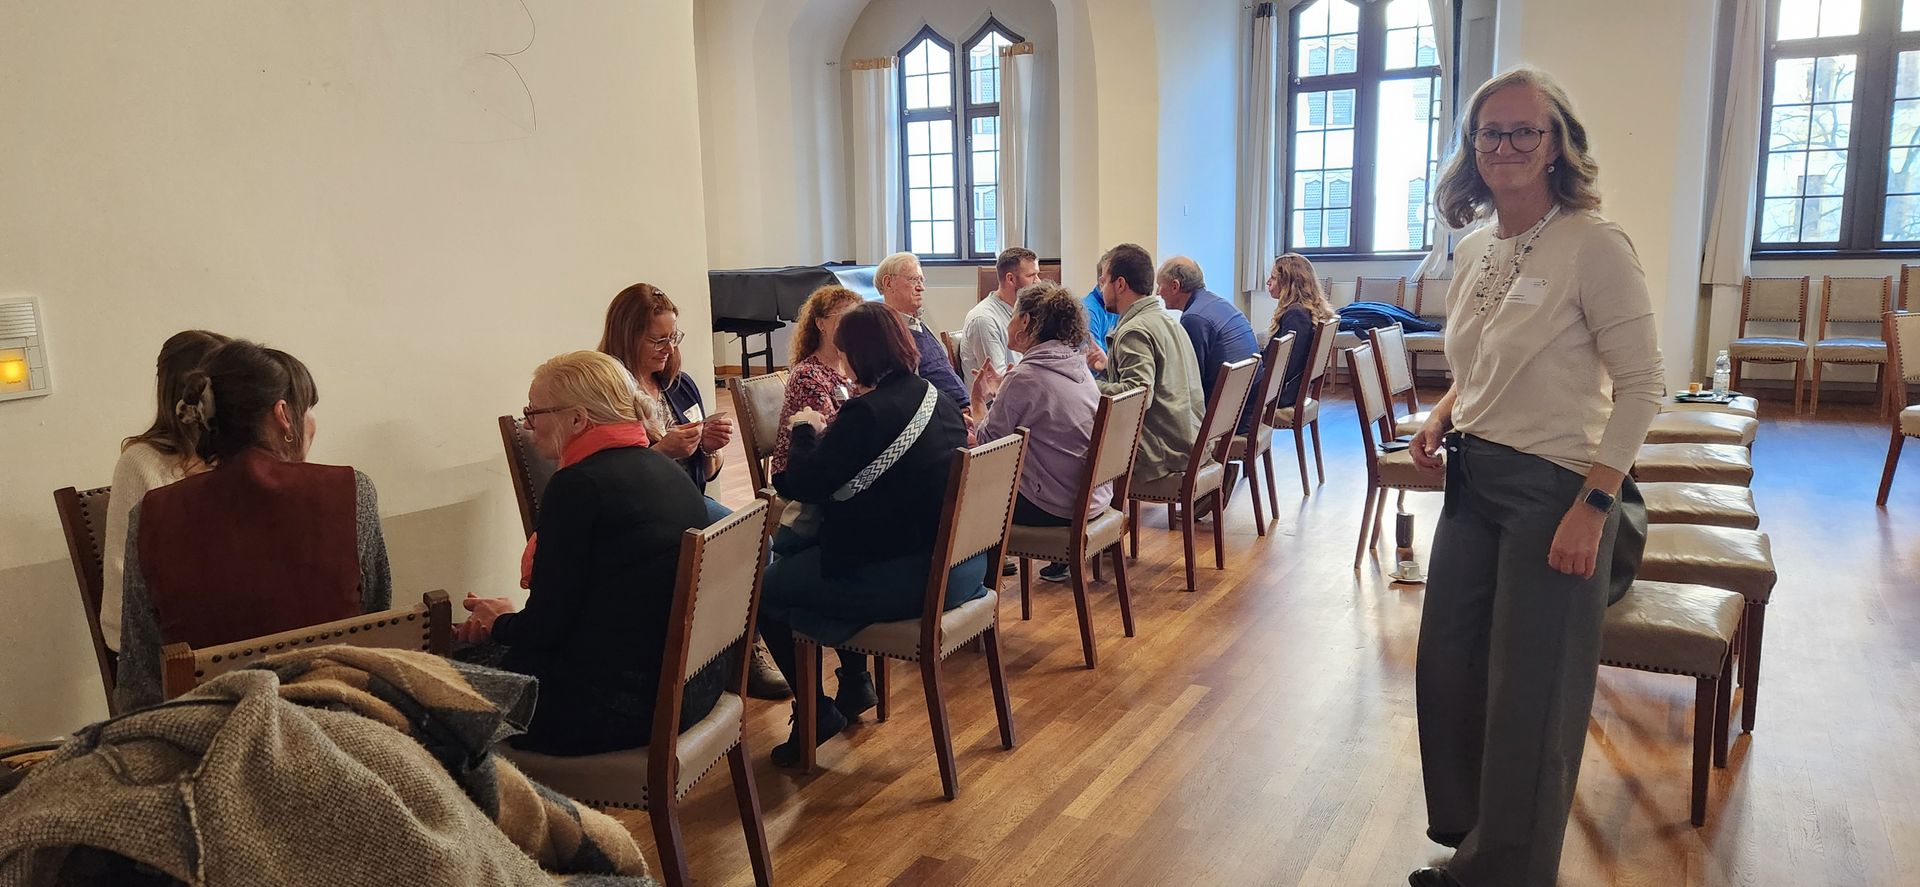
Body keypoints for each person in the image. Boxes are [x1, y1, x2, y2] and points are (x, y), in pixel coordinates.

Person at [1406, 67, 1661, 887]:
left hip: (1557, 488)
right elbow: (1479, 362)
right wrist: (1444, 412)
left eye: (1525, 130)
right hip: (1473, 478)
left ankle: (1507, 872)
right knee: (1450, 668)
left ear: (1557, 145)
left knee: (1533, 693)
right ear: (1471, 148)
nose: (1506, 145)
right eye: (1491, 131)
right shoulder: (1477, 248)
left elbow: (1643, 385)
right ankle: (1473, 840)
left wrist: (1596, 501)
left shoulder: (1594, 244)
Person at [456, 351, 724, 755]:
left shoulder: (579, 487)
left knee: (436, 689)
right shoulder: (666, 469)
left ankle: (505, 795)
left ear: (578, 420)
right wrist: (511, 620)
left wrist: (499, 622)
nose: (528, 424)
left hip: (622, 708)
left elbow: (545, 630)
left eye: (534, 412)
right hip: (694, 684)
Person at [757, 301, 988, 766]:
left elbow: (801, 484)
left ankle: (816, 711)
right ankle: (854, 681)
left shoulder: (866, 413)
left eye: (844, 354)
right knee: (812, 565)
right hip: (962, 568)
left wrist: (803, 430)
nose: (841, 363)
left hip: (909, 578)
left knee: (764, 591)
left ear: (858, 355)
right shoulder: (934, 396)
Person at [113, 340, 392, 712]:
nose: (312, 423)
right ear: (283, 415)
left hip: (208, 728)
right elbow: (376, 632)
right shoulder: (352, 491)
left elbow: (142, 676)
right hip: (338, 719)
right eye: (307, 409)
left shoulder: (151, 514)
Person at [100, 329, 230, 652]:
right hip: (170, 649)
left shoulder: (239, 456)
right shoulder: (141, 463)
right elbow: (123, 590)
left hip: (238, 635)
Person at [973, 283, 1107, 584]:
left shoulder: (1025, 377)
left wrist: (979, 403)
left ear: (1025, 322)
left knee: (968, 497)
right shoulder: (1076, 363)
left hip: (1058, 506)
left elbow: (987, 446)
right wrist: (1002, 393)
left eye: (1013, 314)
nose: (1009, 322)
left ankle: (976, 589)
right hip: (1094, 496)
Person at [600, 282, 735, 524]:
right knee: (748, 541)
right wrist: (663, 452)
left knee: (757, 538)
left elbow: (706, 475)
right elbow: (610, 482)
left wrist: (709, 448)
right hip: (639, 516)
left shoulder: (680, 386)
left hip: (685, 501)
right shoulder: (606, 398)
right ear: (627, 338)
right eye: (658, 340)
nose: (670, 349)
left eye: (672, 337)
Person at [1092, 243, 1204, 484]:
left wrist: (1087, 385)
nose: (1101, 289)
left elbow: (1138, 396)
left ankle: (1097, 508)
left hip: (1161, 455)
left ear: (1120, 284)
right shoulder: (1168, 321)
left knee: (1068, 453)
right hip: (1192, 443)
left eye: (1103, 281)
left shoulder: (1134, 330)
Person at [1159, 256, 1260, 430]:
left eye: (1160, 285)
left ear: (1175, 286)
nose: (1157, 293)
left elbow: (1190, 380)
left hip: (1227, 420)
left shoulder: (1194, 318)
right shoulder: (1218, 303)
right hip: (1248, 407)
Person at [771, 285, 862, 477]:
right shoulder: (807, 374)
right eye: (845, 318)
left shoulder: (851, 367)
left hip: (836, 458)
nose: (853, 326)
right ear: (821, 324)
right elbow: (829, 433)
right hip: (798, 471)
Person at [875, 251, 970, 410]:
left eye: (921, 280)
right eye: (913, 279)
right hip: (939, 416)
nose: (921, 288)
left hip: (962, 409)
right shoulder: (885, 333)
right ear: (888, 283)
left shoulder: (919, 324)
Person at [960, 246, 1039, 391]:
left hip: (1021, 390)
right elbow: (998, 382)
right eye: (1031, 276)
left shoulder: (1025, 312)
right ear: (1010, 279)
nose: (1038, 282)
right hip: (995, 400)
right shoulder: (984, 319)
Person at [1265, 253, 1337, 410]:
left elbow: (1286, 365)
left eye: (1273, 278)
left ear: (1289, 283)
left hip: (1279, 394)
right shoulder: (1306, 310)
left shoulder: (1295, 315)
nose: (1268, 282)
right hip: (1288, 390)